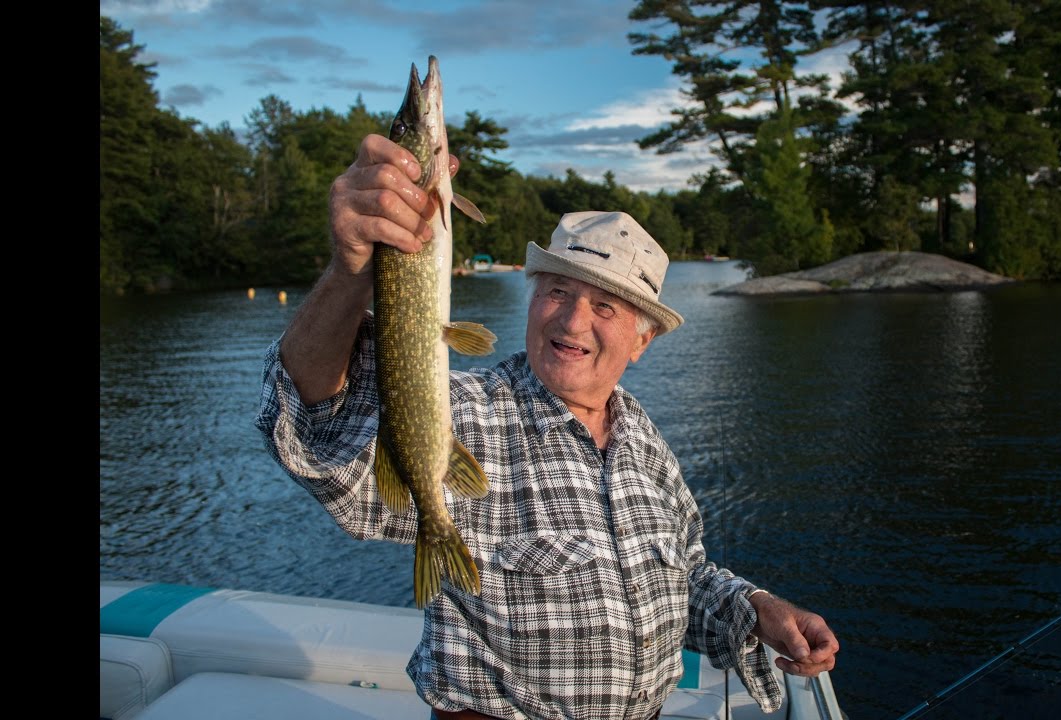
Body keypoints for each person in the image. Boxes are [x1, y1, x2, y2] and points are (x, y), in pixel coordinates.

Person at [255, 134, 839, 719]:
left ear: (643, 339)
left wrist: (759, 609)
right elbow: (317, 429)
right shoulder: (469, 413)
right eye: (558, 289)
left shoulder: (645, 443)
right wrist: (349, 270)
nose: (572, 318)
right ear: (534, 298)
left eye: (606, 305)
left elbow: (683, 575)